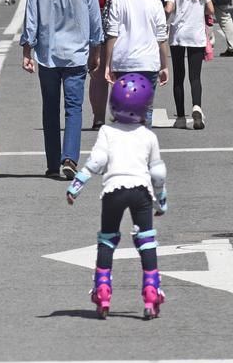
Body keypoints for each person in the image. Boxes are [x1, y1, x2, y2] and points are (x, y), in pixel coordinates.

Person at [65, 73, 168, 320]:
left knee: (108, 239)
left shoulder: (108, 132)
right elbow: (157, 171)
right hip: (141, 191)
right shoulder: (148, 136)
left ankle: (102, 290)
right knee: (145, 239)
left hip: (113, 191)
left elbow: (98, 161)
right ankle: (151, 291)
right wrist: (161, 199)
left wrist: (77, 184)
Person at [21, 0, 104, 180]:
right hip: (77, 54)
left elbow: (31, 19)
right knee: (74, 108)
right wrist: (96, 51)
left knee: (50, 107)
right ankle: (70, 157)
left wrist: (28, 50)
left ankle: (52, 162)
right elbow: (94, 20)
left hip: (48, 53)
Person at [103, 0, 169, 126]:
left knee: (123, 109)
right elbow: (161, 38)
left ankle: (125, 146)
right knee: (146, 108)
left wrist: (108, 64)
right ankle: (144, 146)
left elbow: (112, 35)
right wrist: (164, 65)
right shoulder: (155, 3)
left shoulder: (118, 1)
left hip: (123, 61)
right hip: (148, 62)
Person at [79, 0, 131, 129]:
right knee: (122, 75)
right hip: (122, 31)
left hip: (97, 30)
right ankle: (122, 114)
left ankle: (99, 118)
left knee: (98, 76)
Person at [166, 0, 214, 130]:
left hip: (178, 34)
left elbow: (169, 8)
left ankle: (179, 117)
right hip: (196, 35)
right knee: (195, 76)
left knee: (179, 76)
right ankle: (197, 108)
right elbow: (210, 9)